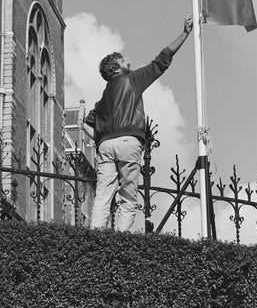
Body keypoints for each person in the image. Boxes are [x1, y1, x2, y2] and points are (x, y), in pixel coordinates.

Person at [82, 15, 193, 231]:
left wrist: (101, 138)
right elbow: (161, 61)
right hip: (128, 141)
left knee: (103, 196)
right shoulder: (132, 80)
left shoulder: (102, 99)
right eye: (124, 61)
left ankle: (94, 237)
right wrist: (185, 34)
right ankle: (121, 240)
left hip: (105, 145)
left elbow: (87, 124)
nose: (129, 63)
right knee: (128, 197)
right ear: (115, 68)